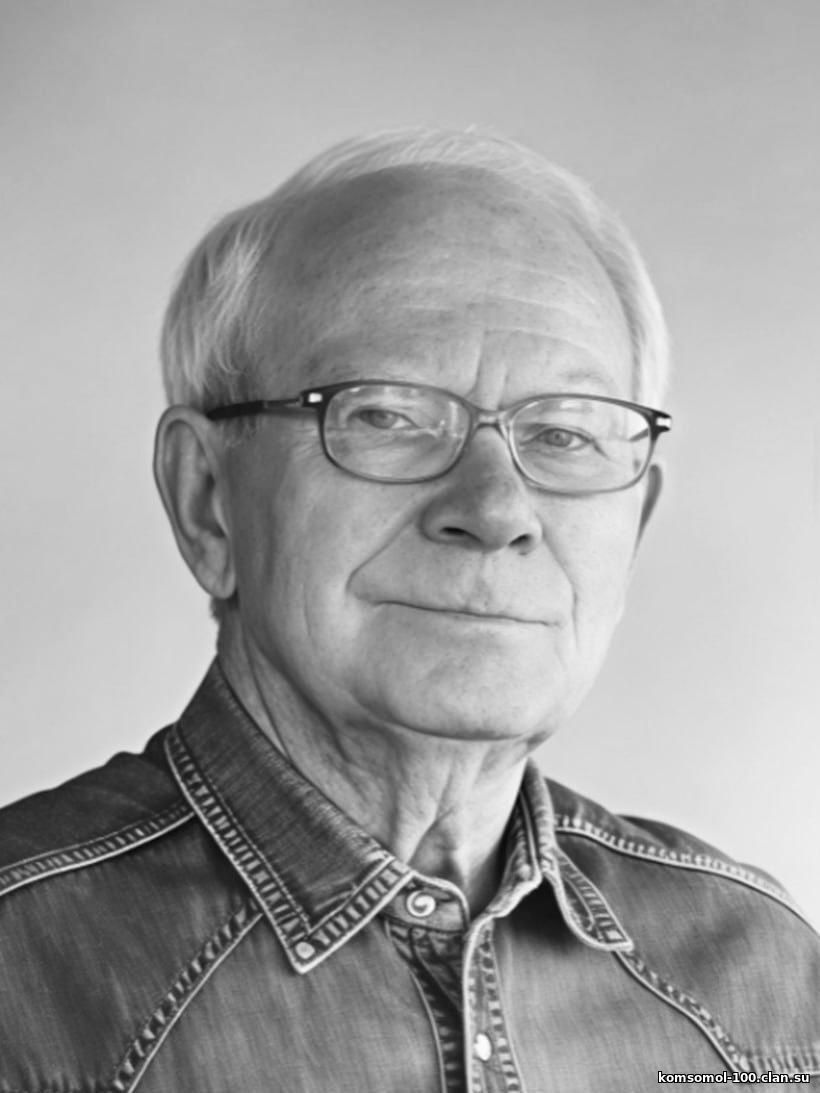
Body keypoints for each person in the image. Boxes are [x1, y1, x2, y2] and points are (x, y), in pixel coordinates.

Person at [0, 129, 817, 1093]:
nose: (497, 510)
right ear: (208, 500)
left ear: (633, 525)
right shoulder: (23, 967)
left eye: (564, 434)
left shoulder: (761, 983)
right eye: (385, 415)